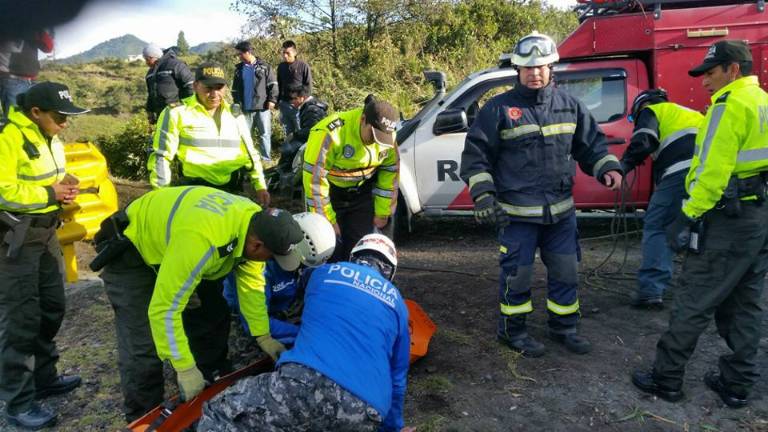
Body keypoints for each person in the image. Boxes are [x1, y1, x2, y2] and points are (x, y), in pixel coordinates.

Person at [460, 31, 623, 358]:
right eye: (528, 67)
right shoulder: (498, 109)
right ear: (517, 70)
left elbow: (591, 146)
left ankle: (564, 328)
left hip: (561, 214)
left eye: (541, 66)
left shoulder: (570, 106)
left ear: (551, 68)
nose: (535, 73)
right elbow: (476, 157)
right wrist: (484, 196)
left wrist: (607, 167)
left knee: (566, 272)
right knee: (517, 276)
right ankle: (513, 332)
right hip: (516, 216)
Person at [94, 186, 311, 422]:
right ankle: (145, 417)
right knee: (143, 345)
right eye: (272, 256)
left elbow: (251, 287)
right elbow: (164, 309)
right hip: (134, 250)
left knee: (212, 315)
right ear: (257, 246)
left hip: (179, 247)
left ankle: (208, 385)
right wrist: (184, 368)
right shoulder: (205, 240)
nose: (271, 262)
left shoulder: (254, 223)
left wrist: (263, 335)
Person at [632, 40, 768, 409]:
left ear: (733, 70)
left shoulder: (728, 106)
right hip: (757, 218)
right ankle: (737, 384)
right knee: (745, 302)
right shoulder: (762, 102)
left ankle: (666, 379)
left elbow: (712, 173)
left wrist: (686, 216)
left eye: (710, 73)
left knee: (694, 298)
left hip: (726, 220)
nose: (704, 81)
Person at [198, 234, 410, 432]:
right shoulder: (398, 304)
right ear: (390, 272)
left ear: (353, 256)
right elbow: (398, 378)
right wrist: (393, 428)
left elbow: (294, 286)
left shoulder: (323, 272)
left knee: (219, 412)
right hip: (366, 412)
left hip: (305, 382)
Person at [0, 82, 89, 430]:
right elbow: (3, 189)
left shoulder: (50, 136)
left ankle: (44, 377)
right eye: (59, 117)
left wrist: (65, 185)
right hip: (15, 238)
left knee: (52, 306)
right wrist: (49, 193)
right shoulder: (8, 137)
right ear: (35, 112)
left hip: (46, 231)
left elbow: (48, 179)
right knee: (20, 319)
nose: (65, 123)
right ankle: (19, 403)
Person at [620, 89, 703, 308]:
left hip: (680, 173)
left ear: (641, 107)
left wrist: (623, 166)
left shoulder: (652, 111)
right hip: (707, 178)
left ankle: (650, 291)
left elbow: (644, 141)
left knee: (658, 226)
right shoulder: (692, 113)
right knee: (697, 230)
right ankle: (700, 289)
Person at [148, 61, 270, 207]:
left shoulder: (235, 114)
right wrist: (161, 194)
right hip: (195, 191)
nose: (214, 94)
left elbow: (250, 152)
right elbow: (161, 156)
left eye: (219, 88)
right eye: (208, 88)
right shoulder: (176, 113)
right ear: (195, 86)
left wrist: (260, 185)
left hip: (233, 190)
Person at [303, 96, 399, 261]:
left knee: (359, 250)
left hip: (362, 193)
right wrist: (327, 220)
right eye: (373, 135)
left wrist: (383, 212)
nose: (376, 142)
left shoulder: (388, 135)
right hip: (330, 195)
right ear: (363, 120)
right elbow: (315, 182)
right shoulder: (329, 133)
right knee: (329, 249)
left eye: (382, 138)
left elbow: (390, 172)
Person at [223, 211, 337, 344]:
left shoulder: (307, 258)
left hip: (284, 302)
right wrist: (303, 333)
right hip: (253, 312)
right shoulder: (258, 267)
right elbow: (256, 321)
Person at [232, 41, 278, 162]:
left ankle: (265, 159)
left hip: (262, 107)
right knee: (246, 135)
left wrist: (272, 100)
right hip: (245, 108)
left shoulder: (265, 67)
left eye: (240, 54)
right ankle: (248, 158)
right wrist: (237, 103)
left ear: (248, 52)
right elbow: (235, 89)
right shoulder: (239, 69)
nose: (239, 57)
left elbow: (273, 84)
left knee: (265, 134)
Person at [276, 84, 328, 184]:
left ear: (302, 97)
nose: (292, 102)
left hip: (315, 140)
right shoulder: (310, 106)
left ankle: (284, 176)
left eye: (294, 99)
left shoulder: (312, 109)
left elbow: (311, 131)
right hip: (315, 138)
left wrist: (294, 134)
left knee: (287, 148)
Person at [0, 29, 54, 123]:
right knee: (16, 122)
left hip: (31, 81)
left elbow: (48, 47)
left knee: (33, 121)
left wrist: (36, 28)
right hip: (11, 80)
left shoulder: (32, 25)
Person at [142, 43, 195, 125]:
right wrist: (150, 111)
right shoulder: (150, 74)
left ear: (153, 57)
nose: (146, 62)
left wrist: (186, 106)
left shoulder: (176, 65)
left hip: (179, 114)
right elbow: (151, 94)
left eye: (147, 59)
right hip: (161, 115)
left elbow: (190, 85)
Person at [276, 40, 312, 136]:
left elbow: (308, 85)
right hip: (284, 105)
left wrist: (301, 99)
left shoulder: (303, 66)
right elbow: (279, 85)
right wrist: (278, 101)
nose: (285, 55)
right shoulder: (281, 67)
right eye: (283, 53)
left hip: (299, 106)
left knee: (301, 133)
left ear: (295, 53)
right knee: (289, 134)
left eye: (288, 53)